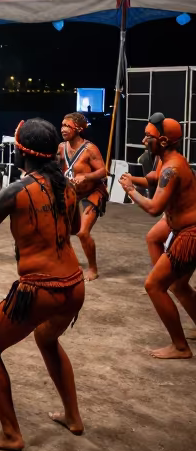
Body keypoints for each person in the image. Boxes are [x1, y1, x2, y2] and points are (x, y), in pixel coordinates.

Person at [0, 118, 85, 451]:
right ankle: (73, 417)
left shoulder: (16, 191)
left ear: (21, 151)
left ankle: (12, 434)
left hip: (39, 290)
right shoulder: (68, 186)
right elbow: (74, 228)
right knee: (47, 338)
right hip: (74, 286)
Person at [120, 116, 196, 360]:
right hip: (182, 225)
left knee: (153, 285)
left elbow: (153, 208)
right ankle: (165, 280)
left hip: (191, 232)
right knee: (177, 281)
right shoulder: (165, 160)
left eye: (148, 137)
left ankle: (181, 347)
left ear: (162, 141)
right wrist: (134, 179)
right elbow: (154, 178)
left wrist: (131, 191)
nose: (143, 140)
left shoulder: (172, 167)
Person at [58, 112, 108, 280]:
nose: (63, 129)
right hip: (71, 193)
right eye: (62, 125)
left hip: (92, 192)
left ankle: (93, 268)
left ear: (78, 129)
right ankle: (72, 262)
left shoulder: (90, 149)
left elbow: (103, 171)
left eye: (67, 126)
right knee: (61, 231)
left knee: (83, 232)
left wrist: (85, 176)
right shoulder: (61, 147)